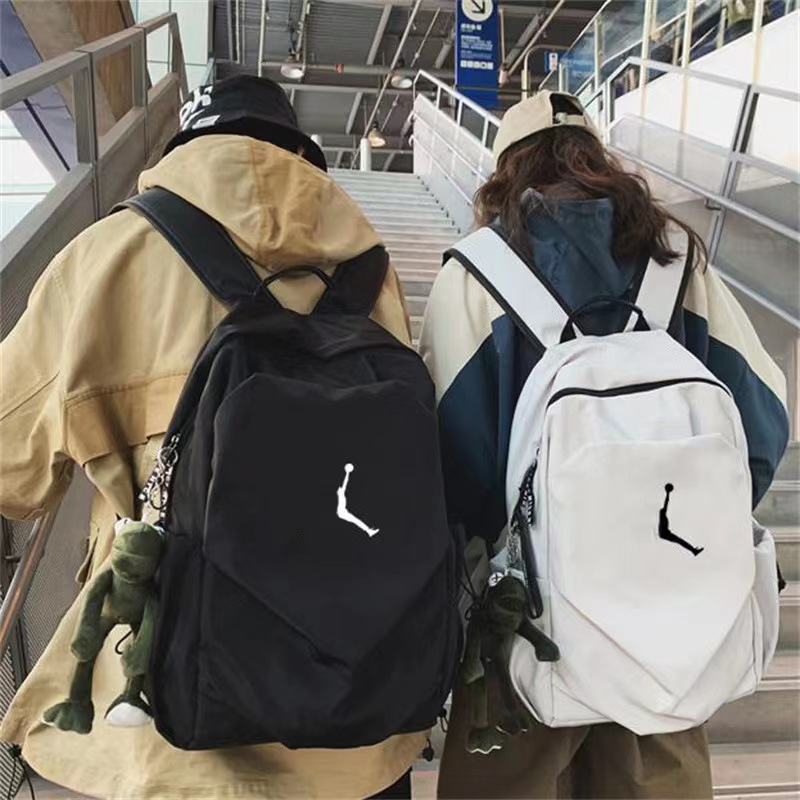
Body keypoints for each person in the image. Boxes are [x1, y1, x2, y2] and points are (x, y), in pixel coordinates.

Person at [0, 75, 419, 799]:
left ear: (183, 148)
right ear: (302, 155)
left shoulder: (108, 252)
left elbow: (12, 468)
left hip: (160, 715)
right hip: (353, 710)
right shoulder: (373, 272)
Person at [420, 91, 789, 799]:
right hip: (670, 628)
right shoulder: (676, 260)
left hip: (523, 639)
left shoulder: (476, 270)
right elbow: (766, 418)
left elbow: (446, 461)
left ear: (504, 171)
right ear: (597, 157)